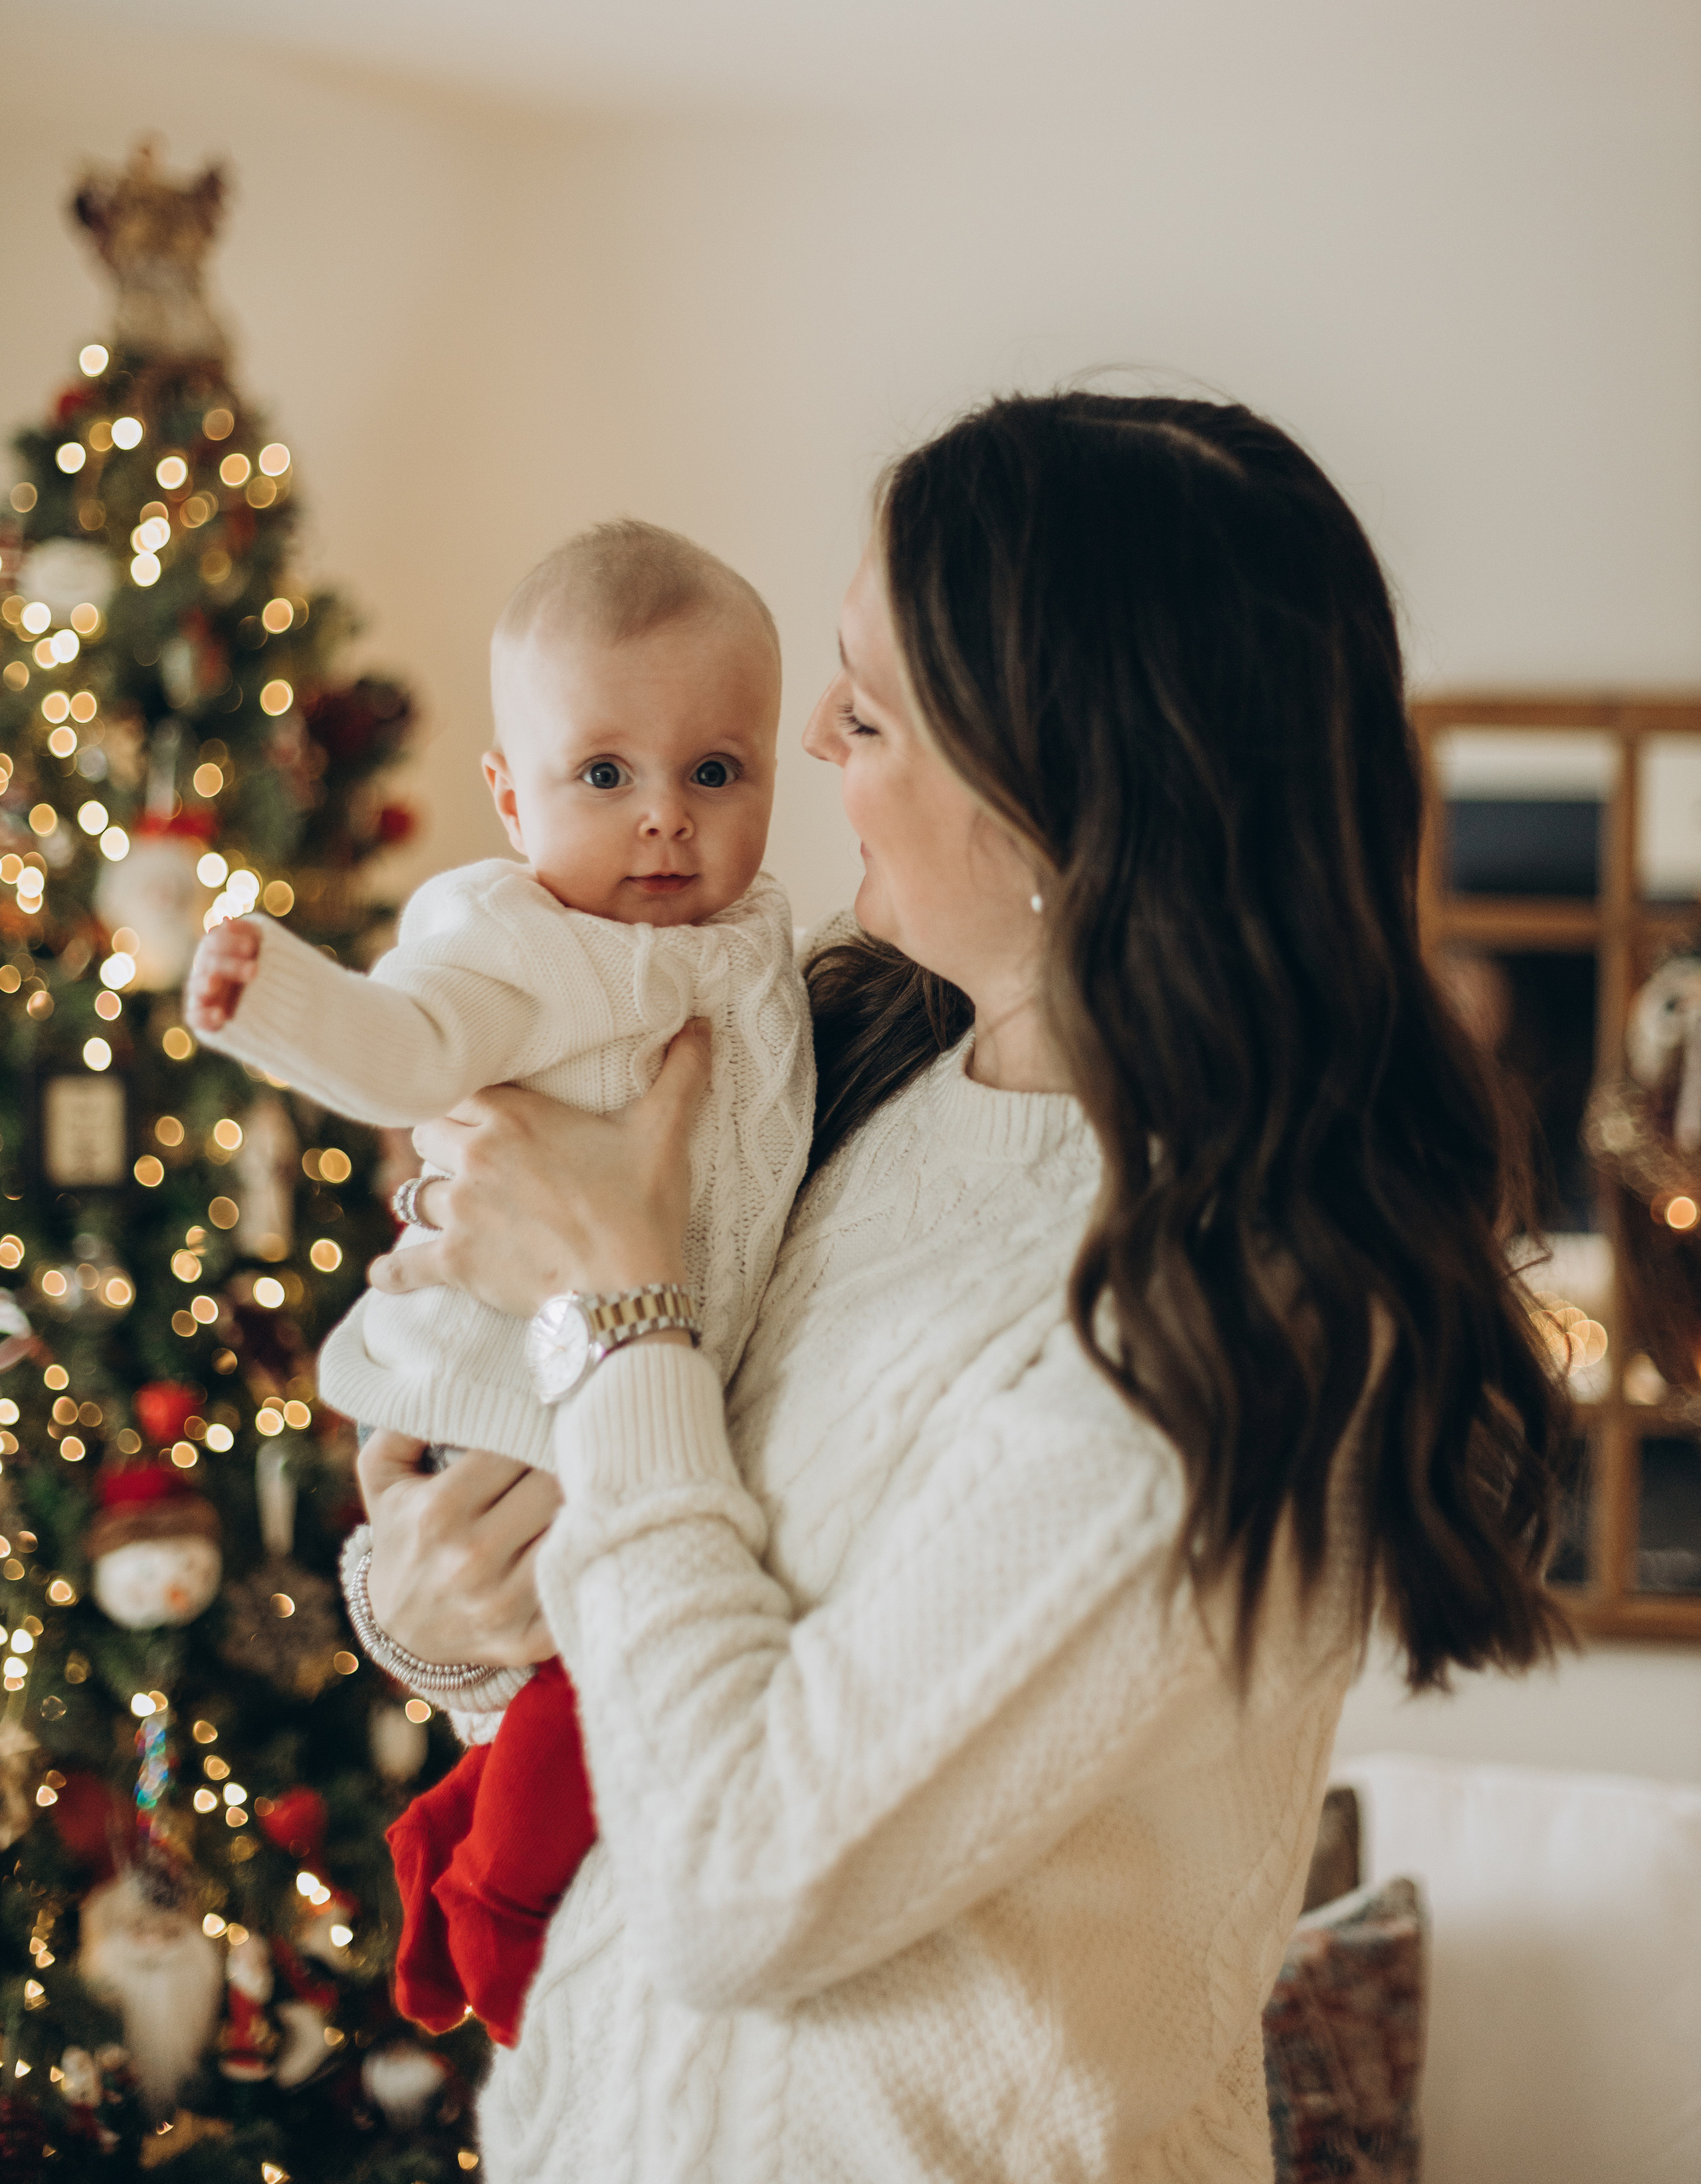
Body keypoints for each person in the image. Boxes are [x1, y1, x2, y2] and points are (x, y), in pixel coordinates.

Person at [355, 392, 1567, 2183]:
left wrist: (619, 1306)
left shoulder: (1228, 1310)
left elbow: (744, 1887)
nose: (820, 744)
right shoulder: (843, 1077)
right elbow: (662, 1660)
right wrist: (446, 1615)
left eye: (875, 703)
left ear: (1062, 779)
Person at [185, 518, 815, 2045]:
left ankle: (458, 1851)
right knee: (584, 1697)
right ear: (508, 793)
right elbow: (406, 1048)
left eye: (713, 772)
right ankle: (501, 1928)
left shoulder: (765, 946)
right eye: (604, 776)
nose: (663, 821)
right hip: (506, 1385)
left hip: (633, 1371)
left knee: (599, 1690)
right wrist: (273, 996)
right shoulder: (511, 939)